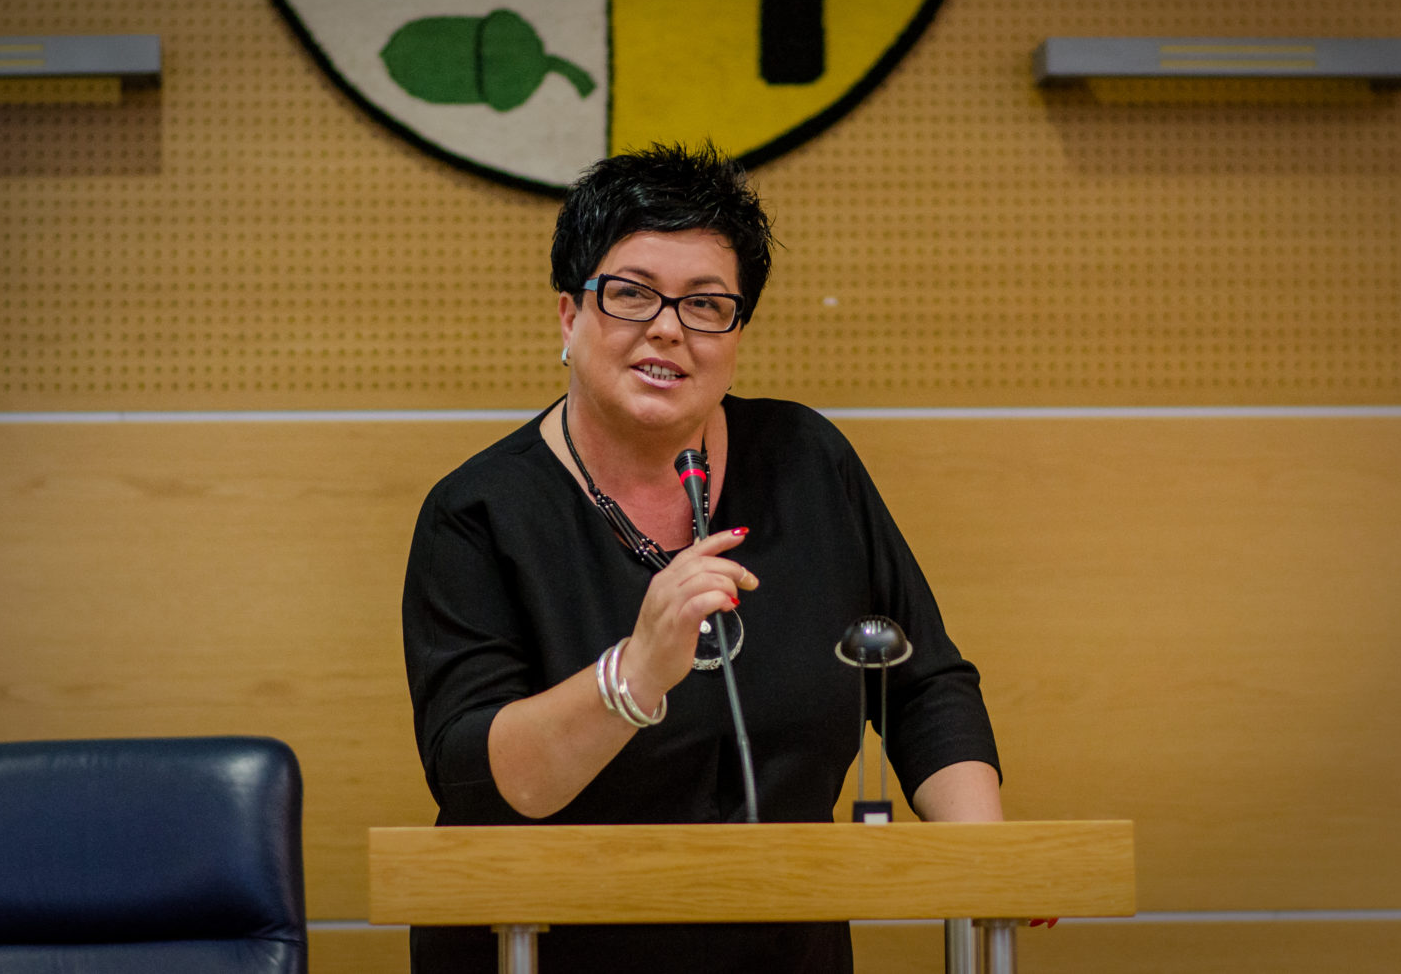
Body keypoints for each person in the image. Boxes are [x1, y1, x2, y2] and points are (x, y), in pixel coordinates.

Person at [402, 142, 1001, 973]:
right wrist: (635, 673)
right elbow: (479, 779)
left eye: (706, 304)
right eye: (631, 294)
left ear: (737, 331)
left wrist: (989, 862)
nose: (668, 328)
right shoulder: (477, 514)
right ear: (570, 318)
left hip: (782, 944)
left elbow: (922, 683)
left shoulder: (804, 460)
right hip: (546, 949)